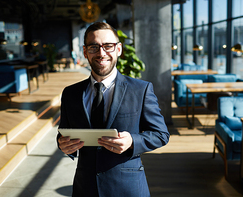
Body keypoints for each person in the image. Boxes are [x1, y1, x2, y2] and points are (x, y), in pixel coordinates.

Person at [57, 22, 170, 197]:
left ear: (118, 49)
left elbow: (161, 134)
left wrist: (132, 141)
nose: (101, 53)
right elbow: (64, 132)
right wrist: (62, 144)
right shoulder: (70, 93)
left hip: (128, 188)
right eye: (94, 47)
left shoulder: (141, 89)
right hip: (85, 188)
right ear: (85, 51)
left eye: (108, 46)